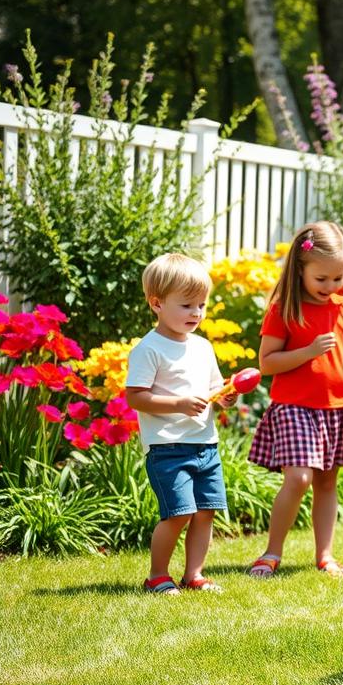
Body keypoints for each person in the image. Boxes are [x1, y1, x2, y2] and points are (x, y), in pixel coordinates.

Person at [247, 221, 343, 579]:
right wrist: (307, 351)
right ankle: (272, 552)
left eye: (338, 278)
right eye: (321, 278)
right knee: (299, 478)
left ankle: (325, 555)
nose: (331, 286)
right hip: (294, 406)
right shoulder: (284, 309)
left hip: (338, 407)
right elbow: (267, 362)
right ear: (300, 269)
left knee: (326, 482)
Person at [126, 253, 238, 595]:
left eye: (201, 305)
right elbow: (135, 397)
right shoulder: (149, 349)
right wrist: (178, 404)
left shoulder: (203, 347)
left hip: (205, 444)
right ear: (157, 303)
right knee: (178, 514)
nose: (197, 313)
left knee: (206, 512)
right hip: (168, 448)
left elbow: (213, 389)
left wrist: (225, 397)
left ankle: (195, 575)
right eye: (187, 305)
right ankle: (157, 575)